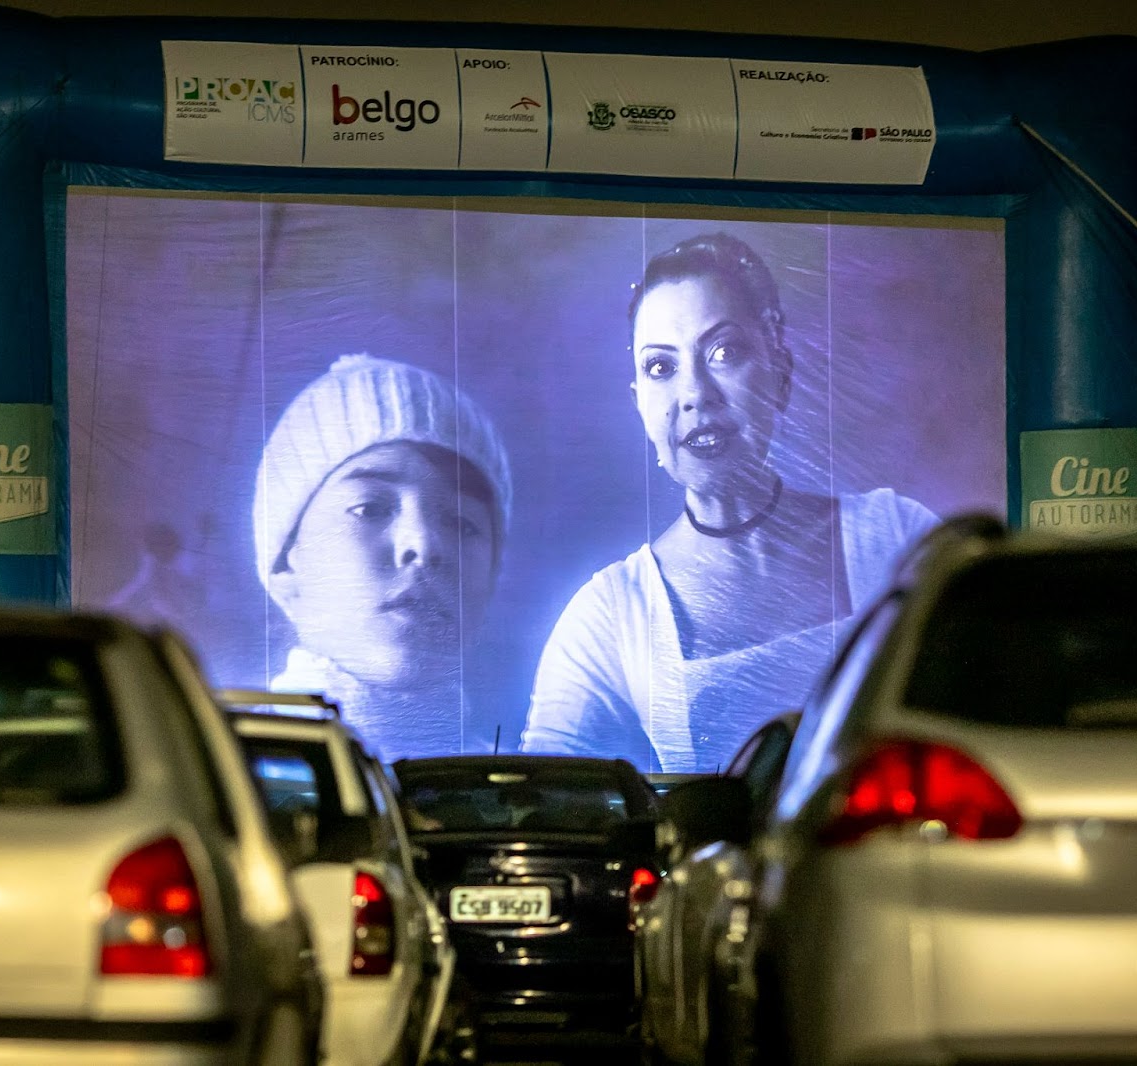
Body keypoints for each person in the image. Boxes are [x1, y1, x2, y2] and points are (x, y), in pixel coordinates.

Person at [521, 233, 938, 773]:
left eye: (724, 352)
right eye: (660, 368)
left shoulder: (896, 539)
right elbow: (542, 798)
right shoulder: (615, 613)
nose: (695, 393)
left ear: (781, 375)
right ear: (641, 407)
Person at [253, 354, 512, 760]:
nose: (424, 546)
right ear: (286, 563)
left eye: (463, 524)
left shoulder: (527, 799)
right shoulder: (208, 778)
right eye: (370, 509)